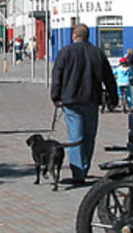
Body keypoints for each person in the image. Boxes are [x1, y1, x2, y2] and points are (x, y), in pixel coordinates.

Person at [50, 23, 117, 184]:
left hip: (71, 99)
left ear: (74, 36)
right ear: (88, 36)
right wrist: (113, 98)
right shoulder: (97, 53)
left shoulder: (65, 52)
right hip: (92, 99)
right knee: (89, 135)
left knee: (76, 136)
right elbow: (109, 77)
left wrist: (55, 97)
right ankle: (84, 167)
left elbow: (57, 75)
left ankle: (78, 172)